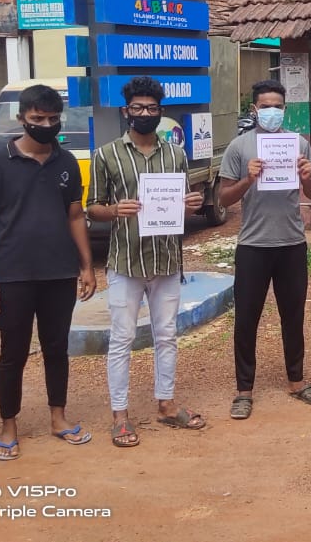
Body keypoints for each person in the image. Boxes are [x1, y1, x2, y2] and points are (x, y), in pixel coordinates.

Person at [0, 84, 97, 461]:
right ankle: (8, 426)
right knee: (13, 353)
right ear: (21, 119)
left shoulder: (67, 162)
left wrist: (87, 266)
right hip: (12, 275)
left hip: (58, 274)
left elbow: (75, 216)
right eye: (37, 118)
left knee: (57, 348)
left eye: (52, 118)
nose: (46, 125)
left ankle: (58, 418)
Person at [87, 76, 207, 448]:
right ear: (126, 111)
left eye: (151, 108)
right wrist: (114, 210)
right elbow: (92, 208)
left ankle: (166, 404)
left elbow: (182, 204)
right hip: (126, 261)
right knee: (122, 338)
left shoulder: (176, 155)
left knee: (166, 335)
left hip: (166, 259)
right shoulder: (106, 154)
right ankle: (120, 415)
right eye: (137, 108)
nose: (144, 114)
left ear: (160, 111)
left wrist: (192, 204)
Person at [219, 79, 311, 420]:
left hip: (292, 244)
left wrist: (306, 176)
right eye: (265, 106)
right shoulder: (239, 147)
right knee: (246, 319)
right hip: (253, 245)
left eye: (277, 107)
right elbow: (223, 198)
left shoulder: (299, 144)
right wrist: (247, 180)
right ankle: (244, 391)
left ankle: (297, 382)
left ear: (285, 109)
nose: (271, 112)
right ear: (254, 109)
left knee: (293, 316)